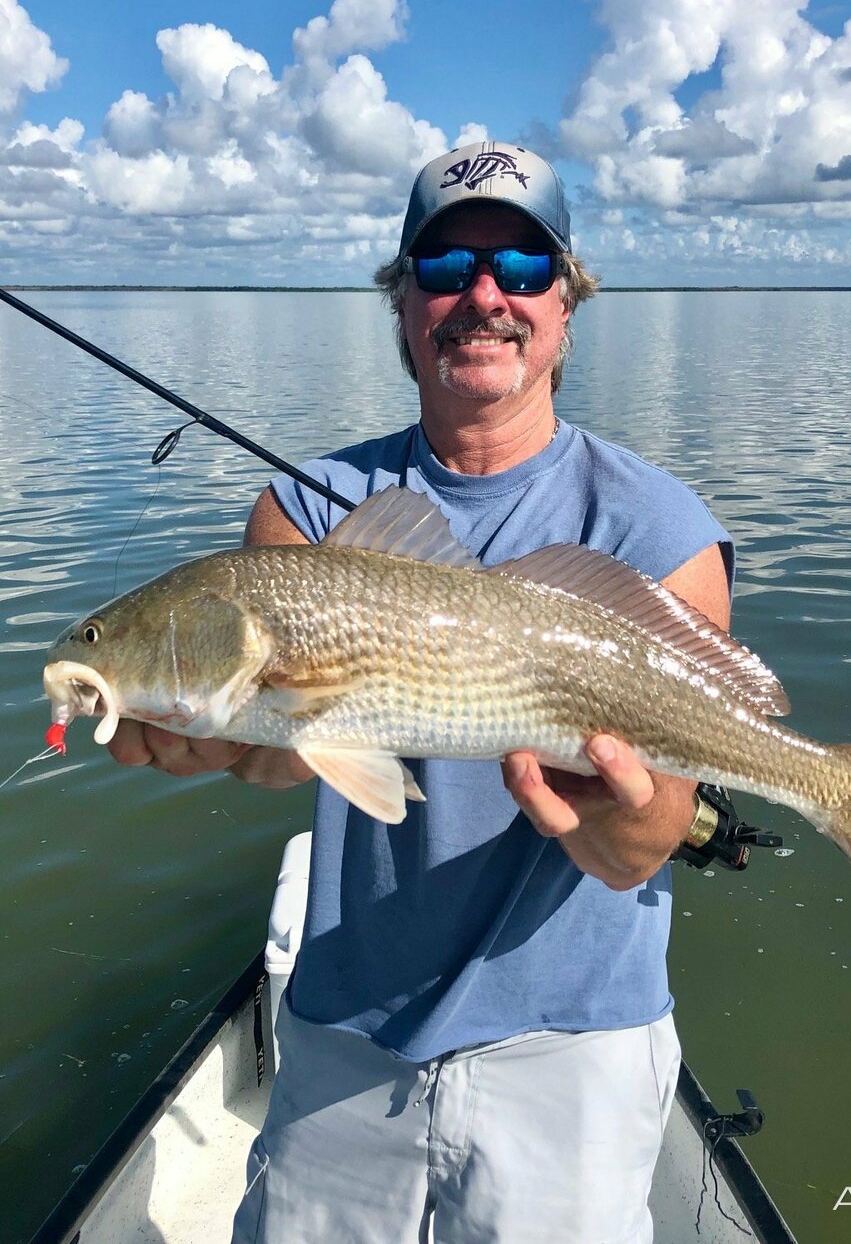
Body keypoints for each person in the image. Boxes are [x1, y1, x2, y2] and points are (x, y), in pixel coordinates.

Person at [110, 140, 734, 1243]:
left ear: (567, 303)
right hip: (347, 1023)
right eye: (443, 267)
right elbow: (279, 752)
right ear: (401, 302)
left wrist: (621, 825)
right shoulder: (308, 509)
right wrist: (213, 734)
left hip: (571, 1040)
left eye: (522, 269)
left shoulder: (660, 530)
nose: (481, 297)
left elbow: (652, 838)